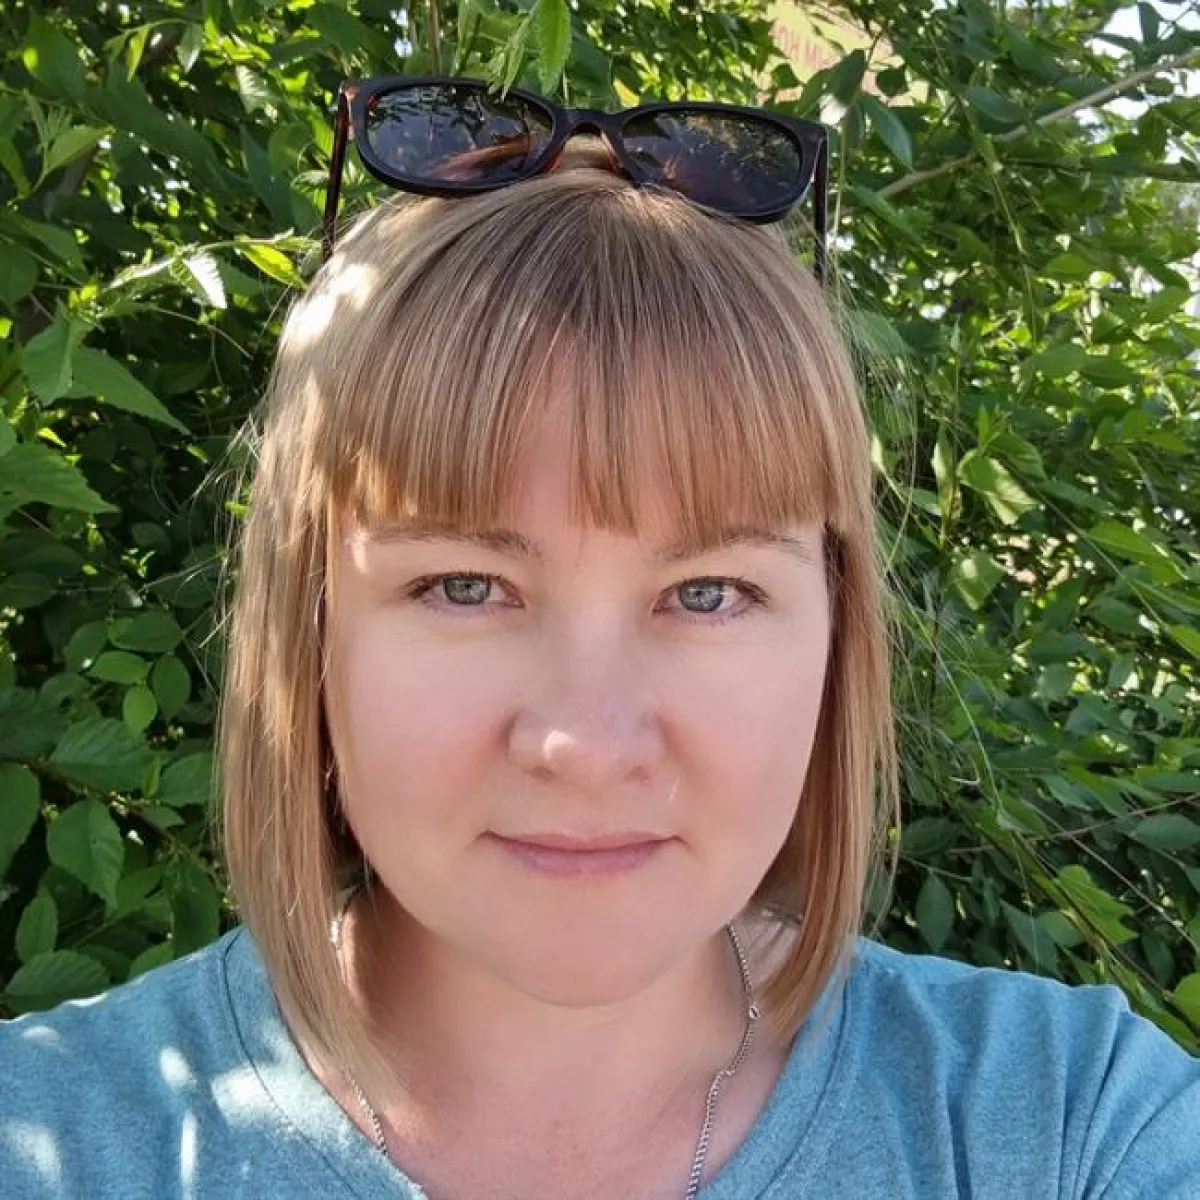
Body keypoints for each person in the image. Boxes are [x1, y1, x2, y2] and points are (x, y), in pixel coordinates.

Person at [1, 77, 1197, 1200]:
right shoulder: (49, 1137)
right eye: (465, 585)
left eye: (709, 592)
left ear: (835, 638)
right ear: (309, 631)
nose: (585, 742)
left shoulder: (1067, 1123)